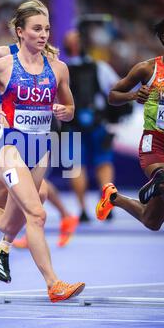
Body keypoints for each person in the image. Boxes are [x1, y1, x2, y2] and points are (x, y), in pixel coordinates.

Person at [0, 3, 85, 304]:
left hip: (40, 149)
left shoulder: (58, 67)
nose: (43, 34)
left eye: (47, 29)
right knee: (37, 213)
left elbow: (71, 108)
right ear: (20, 31)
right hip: (8, 145)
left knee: (10, 221)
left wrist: (65, 111)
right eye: (37, 28)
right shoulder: (1, 59)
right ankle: (53, 283)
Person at [96, 15, 164, 256]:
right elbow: (112, 95)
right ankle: (160, 182)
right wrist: (132, 96)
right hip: (157, 146)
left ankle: (114, 198)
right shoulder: (147, 69)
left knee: (151, 221)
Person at [62, 29, 120, 222]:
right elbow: (116, 91)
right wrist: (113, 121)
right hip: (97, 122)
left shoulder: (62, 69)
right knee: (103, 163)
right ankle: (107, 206)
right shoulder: (99, 67)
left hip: (72, 125)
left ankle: (83, 210)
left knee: (77, 167)